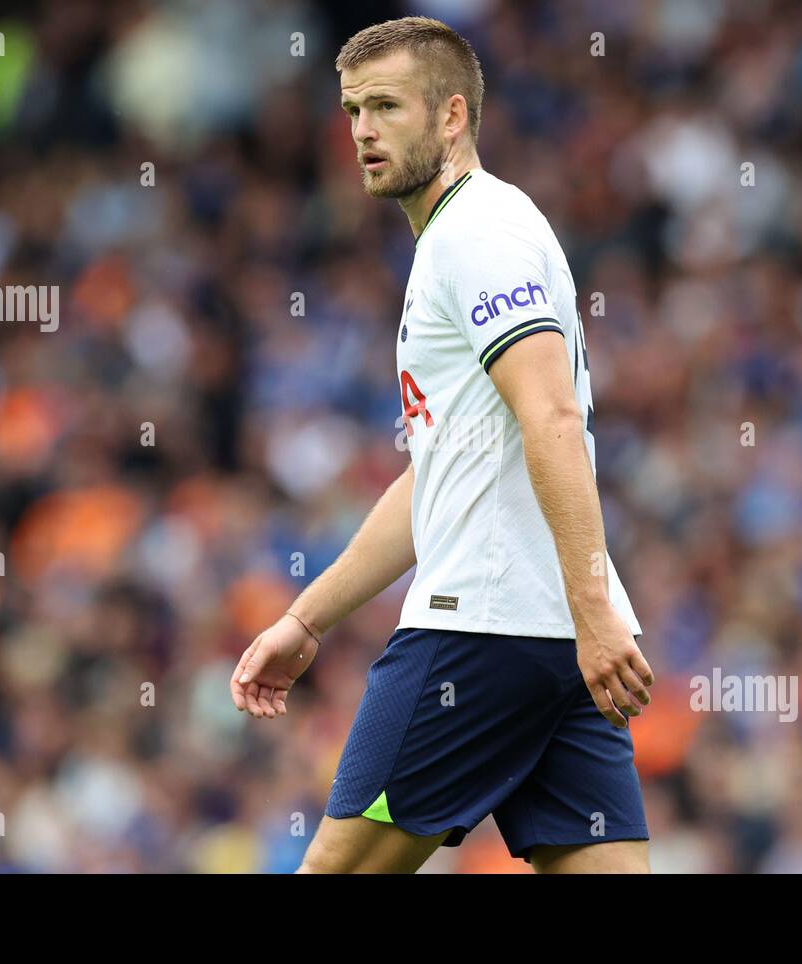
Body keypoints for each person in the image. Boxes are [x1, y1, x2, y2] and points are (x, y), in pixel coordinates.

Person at [230, 16, 654, 874]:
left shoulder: (479, 236)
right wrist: (306, 620)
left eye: (386, 107)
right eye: (352, 110)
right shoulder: (469, 235)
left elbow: (553, 419)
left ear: (452, 116)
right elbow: (441, 478)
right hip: (558, 647)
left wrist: (590, 614)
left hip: (483, 632)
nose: (362, 132)